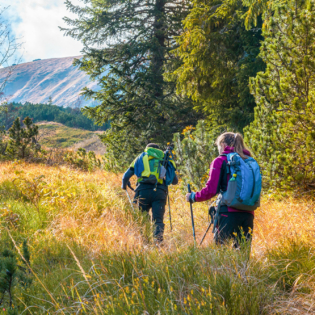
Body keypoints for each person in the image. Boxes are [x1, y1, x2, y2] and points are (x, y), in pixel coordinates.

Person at [185, 132, 255, 247]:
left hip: (228, 213)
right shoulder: (249, 161)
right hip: (248, 214)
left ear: (222, 145)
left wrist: (193, 196)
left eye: (218, 146)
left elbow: (211, 190)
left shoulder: (220, 160)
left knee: (221, 257)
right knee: (242, 259)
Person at [122, 143, 178, 243]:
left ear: (147, 148)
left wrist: (124, 185)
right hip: (160, 192)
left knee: (143, 217)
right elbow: (175, 181)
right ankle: (158, 242)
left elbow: (125, 177)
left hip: (143, 192)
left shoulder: (141, 157)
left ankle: (144, 241)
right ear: (158, 150)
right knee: (158, 219)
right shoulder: (164, 159)